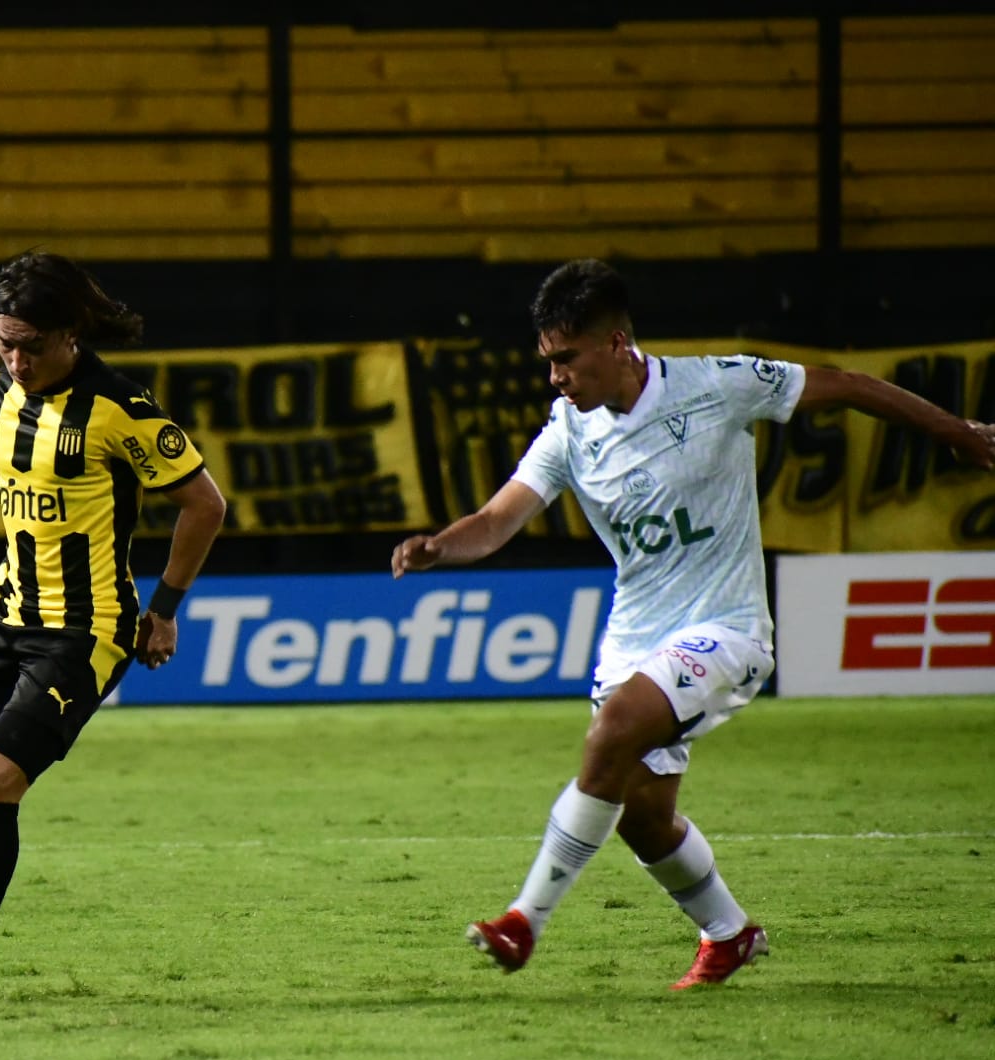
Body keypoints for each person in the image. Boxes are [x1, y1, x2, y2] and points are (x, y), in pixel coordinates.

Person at [391, 258, 995, 989]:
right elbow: (494, 522)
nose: (555, 377)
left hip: (727, 626)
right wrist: (437, 549)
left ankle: (523, 920)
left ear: (615, 343)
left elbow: (848, 385)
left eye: (565, 359)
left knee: (612, 731)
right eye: (547, 361)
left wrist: (957, 432)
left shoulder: (716, 385)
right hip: (634, 636)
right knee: (642, 817)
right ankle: (729, 933)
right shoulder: (568, 431)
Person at [0, 250, 227, 1016]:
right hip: (4, 616)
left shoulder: (120, 410)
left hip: (83, 633)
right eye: (3, 342)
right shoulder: (1, 388)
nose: (15, 359)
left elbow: (206, 505)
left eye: (30, 344)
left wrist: (161, 609)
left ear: (70, 333)